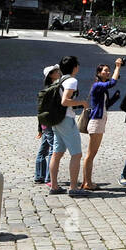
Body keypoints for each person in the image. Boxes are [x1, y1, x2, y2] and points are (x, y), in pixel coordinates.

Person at [46, 55, 88, 194]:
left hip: (56, 120)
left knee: (57, 153)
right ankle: (74, 188)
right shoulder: (71, 81)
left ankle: (54, 186)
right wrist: (81, 103)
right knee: (76, 154)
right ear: (75, 67)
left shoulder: (60, 80)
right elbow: (65, 101)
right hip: (66, 119)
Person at [81, 58, 123, 191]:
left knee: (92, 154)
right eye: (105, 70)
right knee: (90, 154)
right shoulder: (98, 85)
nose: (108, 72)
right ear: (98, 73)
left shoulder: (101, 87)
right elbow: (113, 83)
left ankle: (87, 181)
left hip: (100, 122)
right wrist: (118, 66)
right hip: (96, 122)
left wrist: (115, 98)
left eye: (108, 70)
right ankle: (87, 183)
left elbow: (105, 105)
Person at [34, 65, 59, 184]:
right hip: (48, 123)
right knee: (53, 149)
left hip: (46, 124)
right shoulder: (49, 90)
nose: (58, 72)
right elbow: (41, 110)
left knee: (44, 148)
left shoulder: (53, 88)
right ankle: (49, 177)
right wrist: (40, 128)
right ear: (50, 75)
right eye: (56, 71)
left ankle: (39, 176)